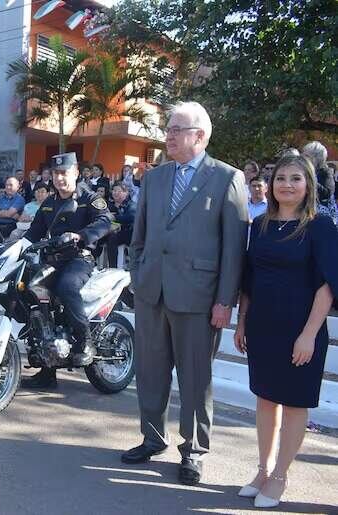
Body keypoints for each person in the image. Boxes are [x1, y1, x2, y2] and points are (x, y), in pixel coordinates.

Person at [122, 101, 248, 486]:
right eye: (168, 129)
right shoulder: (156, 178)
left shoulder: (227, 178)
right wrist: (139, 274)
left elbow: (233, 249)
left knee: (195, 378)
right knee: (150, 371)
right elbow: (139, 236)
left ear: (200, 135)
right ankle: (152, 438)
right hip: (152, 292)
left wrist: (225, 301)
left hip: (198, 298)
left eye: (176, 129)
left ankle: (193, 450)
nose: (168, 135)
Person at [234, 155, 338, 508]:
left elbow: (327, 286)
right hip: (263, 326)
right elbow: (249, 278)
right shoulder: (260, 224)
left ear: (308, 184)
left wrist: (309, 333)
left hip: (301, 330)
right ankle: (263, 470)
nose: (287, 185)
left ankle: (280, 476)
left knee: (294, 404)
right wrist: (243, 321)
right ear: (271, 183)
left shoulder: (319, 226)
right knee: (265, 398)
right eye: (281, 178)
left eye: (296, 178)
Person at [21, 152, 113, 389]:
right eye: (56, 174)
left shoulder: (89, 198)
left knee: (67, 286)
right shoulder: (49, 203)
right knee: (34, 294)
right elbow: (32, 233)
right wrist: (14, 246)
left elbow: (105, 221)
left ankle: (85, 341)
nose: (60, 178)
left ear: (75, 173)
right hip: (54, 260)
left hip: (80, 259)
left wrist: (81, 236)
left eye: (64, 173)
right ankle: (47, 368)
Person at [301, 141, 337, 224]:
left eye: (306, 155)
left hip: (321, 216)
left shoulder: (325, 172)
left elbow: (327, 193)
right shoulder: (302, 170)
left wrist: (310, 180)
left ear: (316, 158)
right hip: (305, 213)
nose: (302, 157)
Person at [105, 182, 136, 269]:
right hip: (111, 230)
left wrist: (113, 217)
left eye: (118, 191)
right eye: (114, 190)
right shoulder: (109, 205)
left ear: (126, 192)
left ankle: (113, 267)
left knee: (112, 238)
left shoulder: (131, 205)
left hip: (128, 233)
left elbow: (130, 218)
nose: (115, 193)